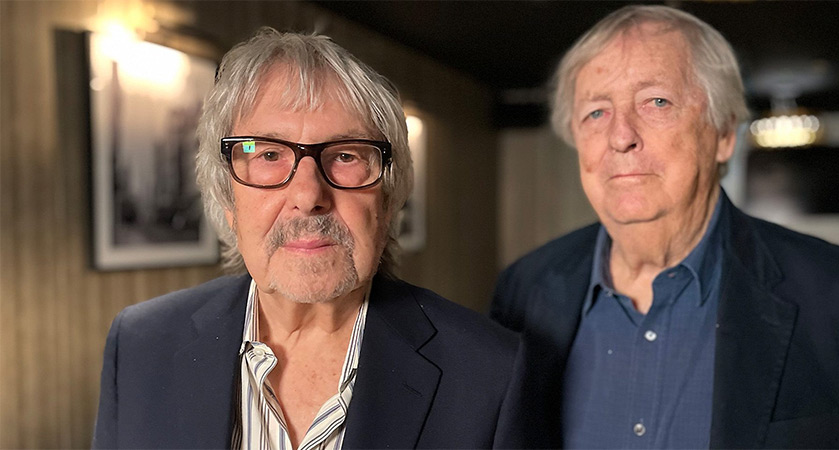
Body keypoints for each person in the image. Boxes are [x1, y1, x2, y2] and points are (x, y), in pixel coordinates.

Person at [491, 5, 839, 449]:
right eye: (596, 112)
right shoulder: (524, 288)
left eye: (657, 101)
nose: (620, 135)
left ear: (724, 134)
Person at [93, 28, 522, 450]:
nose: (308, 196)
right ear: (227, 198)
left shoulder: (488, 372)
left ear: (389, 198)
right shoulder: (140, 344)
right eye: (268, 155)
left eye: (346, 156)